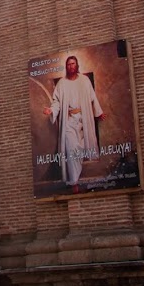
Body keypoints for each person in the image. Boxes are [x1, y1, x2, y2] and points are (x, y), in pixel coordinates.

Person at [43, 56, 106, 193]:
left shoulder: (84, 80)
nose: (71, 66)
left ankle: (76, 177)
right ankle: (74, 183)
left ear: (77, 65)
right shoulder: (62, 84)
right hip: (69, 120)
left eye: (73, 64)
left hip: (83, 119)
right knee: (71, 148)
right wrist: (51, 110)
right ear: (66, 67)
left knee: (80, 148)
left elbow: (92, 97)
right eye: (69, 64)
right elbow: (57, 102)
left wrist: (98, 112)